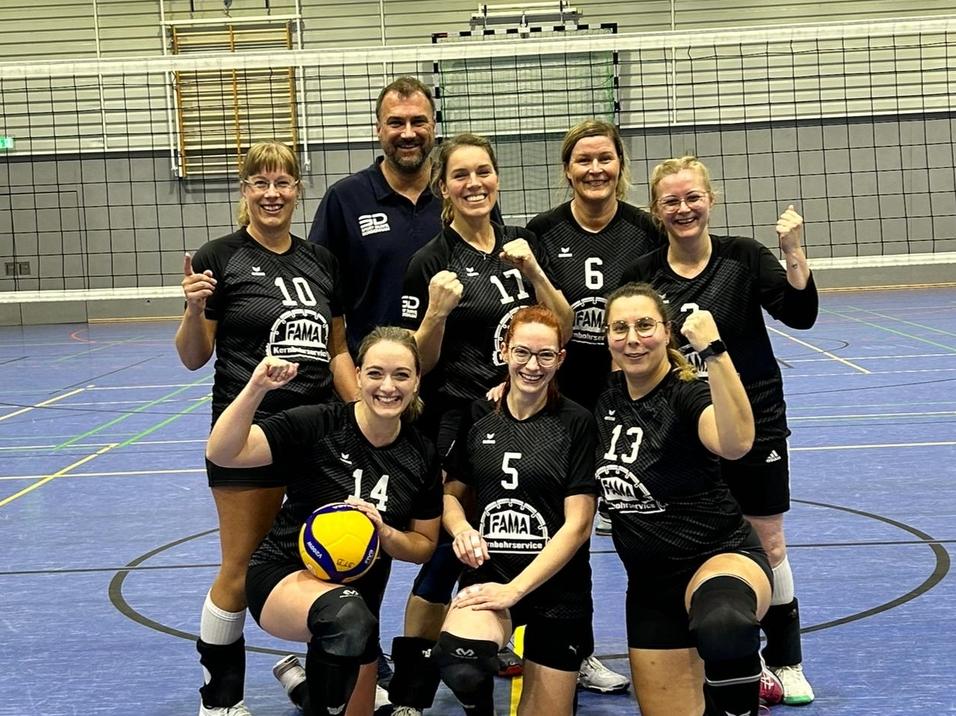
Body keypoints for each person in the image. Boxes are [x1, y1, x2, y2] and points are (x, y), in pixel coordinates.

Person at [387, 133, 573, 716]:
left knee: (526, 530)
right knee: (449, 547)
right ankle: (412, 686)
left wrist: (535, 271)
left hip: (528, 412)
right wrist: (437, 312)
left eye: (483, 172)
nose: (474, 184)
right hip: (462, 420)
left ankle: (545, 638)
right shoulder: (430, 260)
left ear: (496, 178)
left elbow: (562, 327)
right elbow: (418, 360)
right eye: (461, 175)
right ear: (443, 187)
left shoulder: (522, 244)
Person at [621, 156, 818, 705]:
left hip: (753, 421)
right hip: (680, 427)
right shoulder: (643, 274)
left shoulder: (743, 257)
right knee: (693, 535)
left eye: (693, 198)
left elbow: (799, 314)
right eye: (671, 201)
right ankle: (719, 650)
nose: (683, 209)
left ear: (711, 199)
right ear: (656, 209)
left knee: (768, 540)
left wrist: (794, 252)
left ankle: (786, 659)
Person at [175, 141, 357, 716]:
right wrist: (191, 309)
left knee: (328, 558)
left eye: (282, 182)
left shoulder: (322, 261)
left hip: (318, 436)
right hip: (248, 436)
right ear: (245, 190)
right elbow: (193, 357)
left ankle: (325, 677)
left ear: (297, 189)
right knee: (239, 567)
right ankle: (219, 700)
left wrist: (364, 413)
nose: (272, 193)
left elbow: (338, 350)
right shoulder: (220, 257)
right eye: (260, 183)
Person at [205, 327, 442, 716]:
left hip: (358, 610)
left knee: (352, 631)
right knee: (345, 618)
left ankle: (301, 686)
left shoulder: (421, 454)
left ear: (416, 381)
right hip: (284, 575)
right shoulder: (319, 424)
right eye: (376, 373)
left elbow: (423, 547)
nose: (388, 387)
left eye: (401, 375)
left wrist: (384, 532)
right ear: (358, 375)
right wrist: (256, 388)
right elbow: (223, 452)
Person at [596, 282, 773, 716]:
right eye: (620, 328)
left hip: (718, 557)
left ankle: (741, 684)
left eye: (644, 325)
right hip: (650, 586)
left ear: (667, 331)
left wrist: (715, 351)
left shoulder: (686, 393)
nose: (633, 339)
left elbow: (736, 443)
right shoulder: (603, 399)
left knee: (724, 627)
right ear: (607, 337)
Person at [527, 119, 665, 642]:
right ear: (567, 170)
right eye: (583, 160)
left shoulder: (646, 230)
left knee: (641, 523)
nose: (595, 169)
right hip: (564, 399)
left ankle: (662, 638)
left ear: (620, 165)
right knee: (567, 532)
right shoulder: (542, 231)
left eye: (605, 158)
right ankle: (571, 646)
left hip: (631, 400)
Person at [435, 304, 599, 716]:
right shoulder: (478, 414)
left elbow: (579, 525)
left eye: (545, 355)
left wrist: (516, 590)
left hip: (558, 587)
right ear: (505, 351)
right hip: (491, 574)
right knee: (462, 663)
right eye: (522, 352)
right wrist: (461, 529)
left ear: (560, 358)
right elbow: (451, 495)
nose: (532, 365)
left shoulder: (577, 422)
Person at [307, 76, 440, 357]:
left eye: (418, 121)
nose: (408, 133)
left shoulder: (460, 192)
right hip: (375, 372)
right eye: (396, 123)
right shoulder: (345, 199)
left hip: (457, 372)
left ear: (434, 126)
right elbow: (320, 295)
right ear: (378, 129)